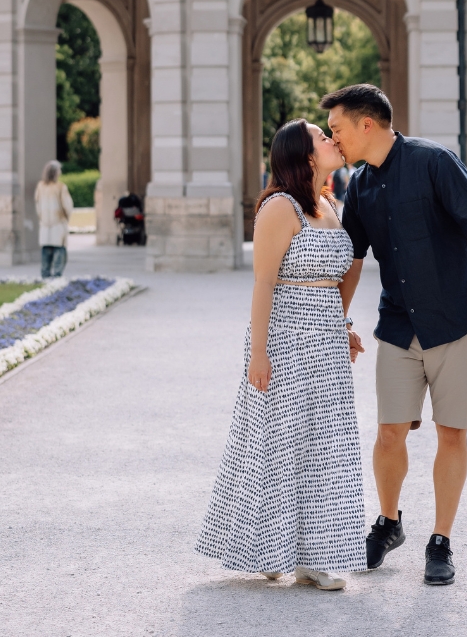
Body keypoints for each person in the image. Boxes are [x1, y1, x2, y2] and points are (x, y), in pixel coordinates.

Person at [322, 83, 467, 588]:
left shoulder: (434, 161)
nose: (334, 140)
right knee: (388, 432)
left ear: (366, 125)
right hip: (398, 325)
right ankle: (390, 521)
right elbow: (352, 261)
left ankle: (440, 539)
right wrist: (338, 321)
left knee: (451, 432)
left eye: (337, 130)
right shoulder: (358, 184)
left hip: (454, 323)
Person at [196, 119, 367, 590]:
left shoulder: (331, 204)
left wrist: (344, 326)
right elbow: (264, 283)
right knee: (279, 445)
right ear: (305, 154)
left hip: (327, 344)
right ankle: (271, 548)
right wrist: (258, 353)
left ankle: (315, 556)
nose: (332, 139)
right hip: (286, 342)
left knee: (326, 445)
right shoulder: (279, 207)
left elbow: (333, 282)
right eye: (321, 135)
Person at [34, 161, 73, 277]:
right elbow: (67, 205)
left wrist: (42, 219)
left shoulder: (40, 186)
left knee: (46, 252)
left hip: (45, 225)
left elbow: (38, 206)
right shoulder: (61, 187)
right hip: (58, 224)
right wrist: (66, 218)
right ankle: (57, 275)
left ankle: (45, 275)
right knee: (59, 251)